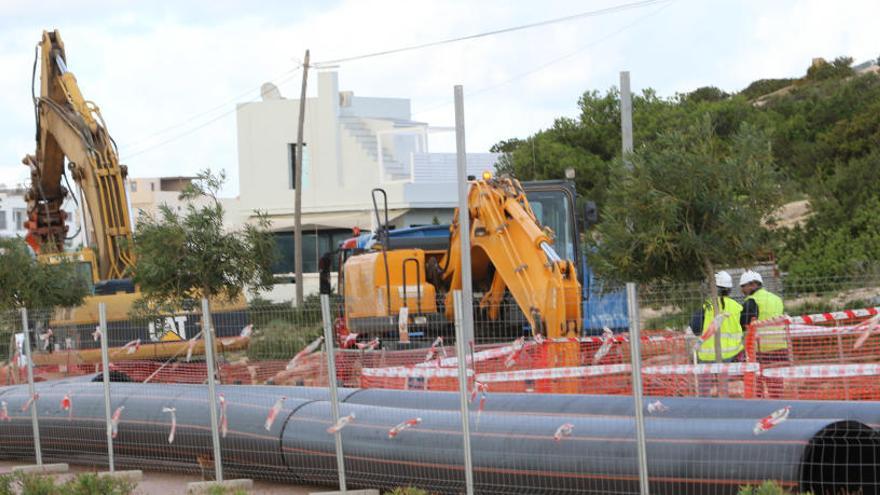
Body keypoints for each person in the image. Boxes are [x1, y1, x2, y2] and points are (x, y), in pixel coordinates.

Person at [689, 271, 744, 397]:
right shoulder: (737, 307)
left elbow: (695, 327)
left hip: (707, 354)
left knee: (704, 388)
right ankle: (723, 404)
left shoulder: (708, 305)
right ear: (729, 289)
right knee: (723, 385)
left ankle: (705, 406)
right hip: (730, 354)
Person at [739, 270, 787, 398]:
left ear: (752, 285)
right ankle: (778, 407)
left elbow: (744, 323)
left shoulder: (752, 301)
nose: (742, 290)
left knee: (757, 385)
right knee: (776, 385)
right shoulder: (777, 299)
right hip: (780, 346)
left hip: (761, 349)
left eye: (743, 286)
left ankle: (760, 410)